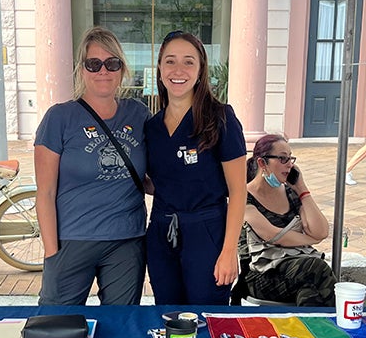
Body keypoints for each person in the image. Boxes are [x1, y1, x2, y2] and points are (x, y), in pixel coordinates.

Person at [34, 26, 150, 305]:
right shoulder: (59, 118)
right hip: (72, 239)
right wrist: (52, 254)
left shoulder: (139, 114)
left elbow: (151, 176)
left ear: (122, 69)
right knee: (57, 324)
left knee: (120, 327)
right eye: (93, 63)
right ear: (82, 69)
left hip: (126, 241)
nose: (103, 71)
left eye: (112, 63)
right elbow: (45, 192)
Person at [145, 30, 247, 305]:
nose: (178, 70)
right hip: (161, 233)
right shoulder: (151, 127)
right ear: (159, 67)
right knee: (168, 317)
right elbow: (158, 181)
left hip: (207, 234)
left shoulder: (221, 118)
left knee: (205, 320)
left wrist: (228, 252)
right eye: (170, 61)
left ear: (201, 70)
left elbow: (238, 192)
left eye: (189, 62)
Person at [232, 134, 337, 306]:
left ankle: (311, 329)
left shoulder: (290, 194)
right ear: (262, 163)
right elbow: (273, 236)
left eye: (290, 158)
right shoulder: (244, 196)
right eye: (282, 158)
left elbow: (321, 231)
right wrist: (313, 240)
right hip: (259, 275)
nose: (290, 164)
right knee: (316, 267)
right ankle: (328, 326)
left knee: (310, 291)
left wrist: (302, 189)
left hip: (298, 270)